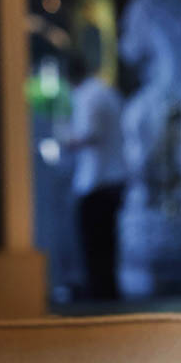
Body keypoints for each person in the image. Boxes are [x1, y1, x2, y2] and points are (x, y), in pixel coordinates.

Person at [65, 55, 127, 299]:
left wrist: (66, 140)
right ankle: (106, 292)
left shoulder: (89, 96)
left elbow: (89, 133)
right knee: (107, 244)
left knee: (95, 244)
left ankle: (100, 296)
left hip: (97, 180)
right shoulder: (106, 92)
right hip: (112, 177)